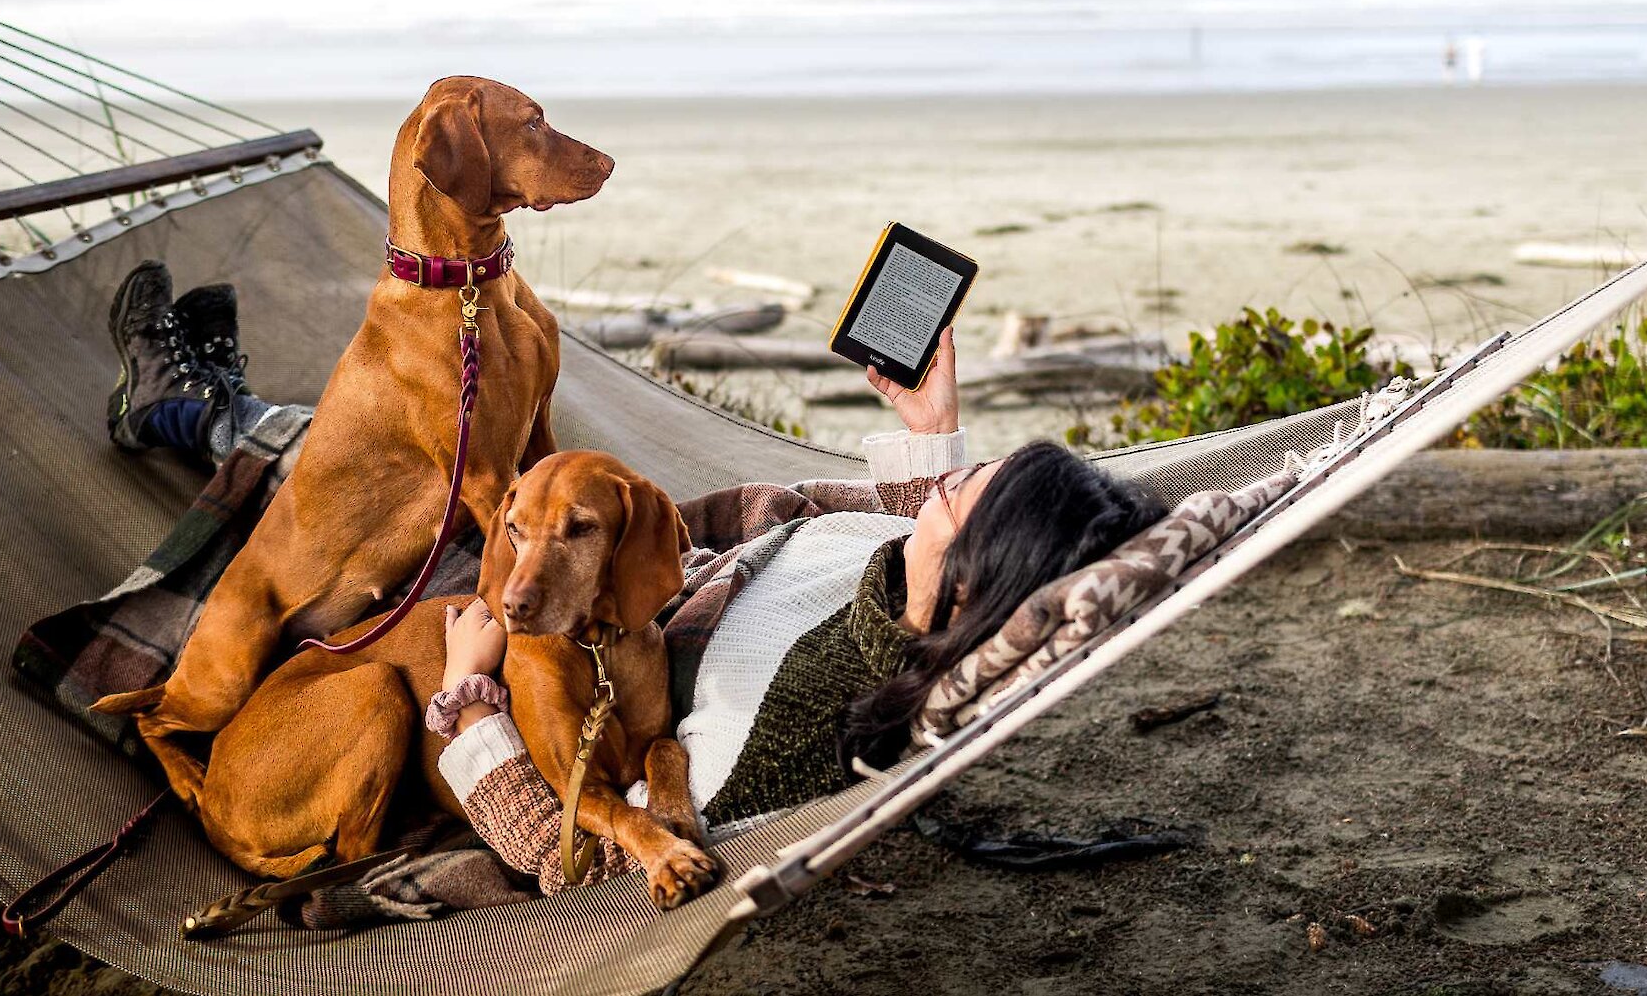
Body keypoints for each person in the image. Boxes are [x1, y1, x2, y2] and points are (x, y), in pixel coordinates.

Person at [106, 261, 1165, 893]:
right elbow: (890, 567)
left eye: (974, 494)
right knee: (403, 454)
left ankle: (184, 407)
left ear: (975, 582)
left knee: (363, 473)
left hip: (560, 615)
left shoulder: (813, 712)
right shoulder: (900, 582)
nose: (960, 481)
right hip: (612, 565)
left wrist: (470, 693)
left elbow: (547, 843)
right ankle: (198, 406)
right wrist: (931, 437)